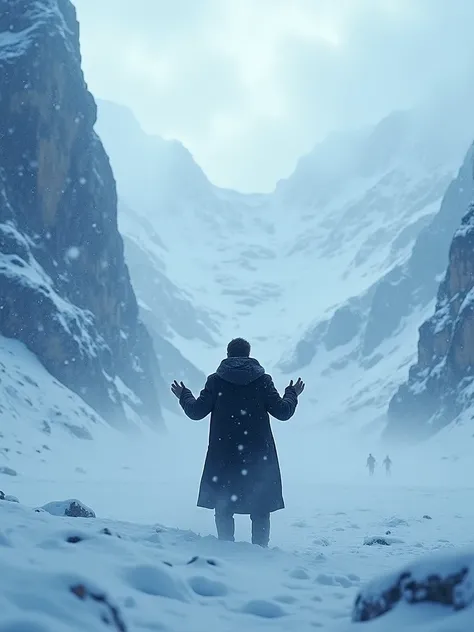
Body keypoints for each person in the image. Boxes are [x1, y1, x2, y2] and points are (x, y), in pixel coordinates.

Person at [171, 337, 305, 548]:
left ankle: (227, 550)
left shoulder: (216, 381)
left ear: (228, 354)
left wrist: (184, 395)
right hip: (257, 455)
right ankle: (261, 551)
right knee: (260, 505)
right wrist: (292, 393)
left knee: (223, 504)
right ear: (248, 354)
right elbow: (283, 411)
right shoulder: (263, 381)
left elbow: (196, 412)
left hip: (224, 454)